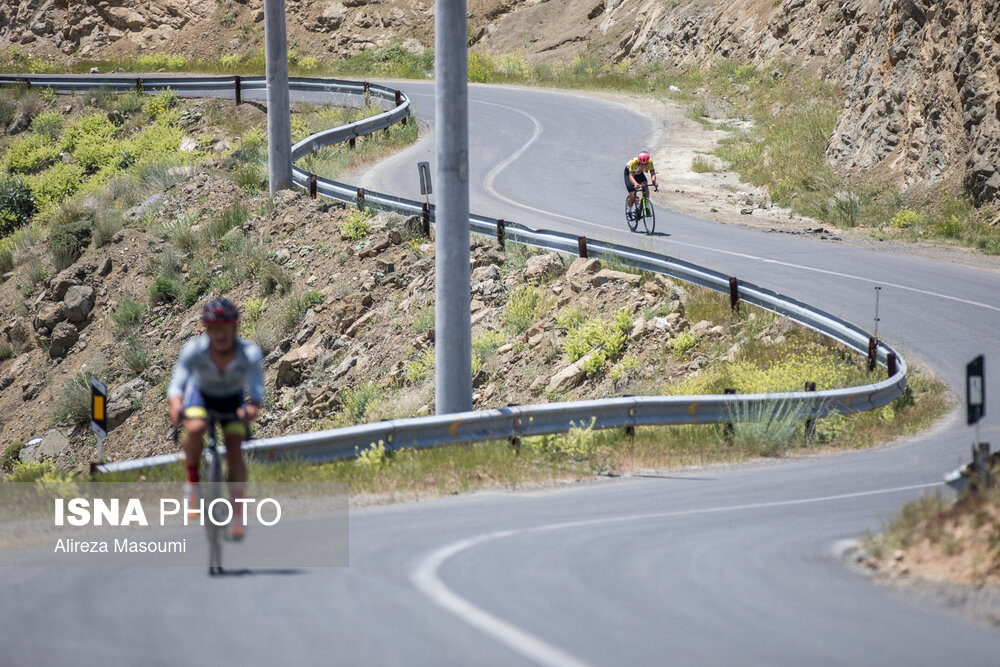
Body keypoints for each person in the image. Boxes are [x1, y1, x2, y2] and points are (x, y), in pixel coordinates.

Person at [167, 298, 264, 541]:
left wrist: (251, 410)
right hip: (201, 396)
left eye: (226, 328)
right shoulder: (193, 350)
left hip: (232, 400)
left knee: (234, 448)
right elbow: (177, 384)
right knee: (196, 427)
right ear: (206, 329)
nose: (220, 334)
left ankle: (237, 516)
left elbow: (255, 392)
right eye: (214, 328)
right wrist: (176, 407)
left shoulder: (249, 352)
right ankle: (193, 484)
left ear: (235, 328)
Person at [624, 151, 658, 218]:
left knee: (645, 186)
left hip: (639, 173)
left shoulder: (650, 162)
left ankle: (646, 204)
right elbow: (631, 176)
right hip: (629, 174)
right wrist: (636, 184)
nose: (644, 165)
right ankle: (629, 210)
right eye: (642, 164)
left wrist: (654, 181)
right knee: (633, 195)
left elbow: (653, 174)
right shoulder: (634, 163)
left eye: (645, 164)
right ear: (639, 161)